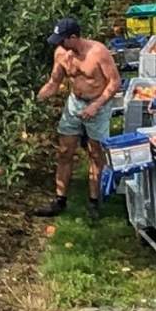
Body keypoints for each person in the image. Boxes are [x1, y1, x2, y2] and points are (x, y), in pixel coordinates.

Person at [32, 16, 121, 220]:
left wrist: (96, 105)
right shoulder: (62, 54)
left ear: (74, 37)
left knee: (96, 154)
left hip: (98, 104)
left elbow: (115, 82)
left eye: (63, 40)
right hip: (74, 104)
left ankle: (93, 201)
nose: (60, 44)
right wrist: (37, 99)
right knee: (64, 151)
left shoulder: (98, 53)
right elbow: (54, 82)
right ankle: (60, 200)